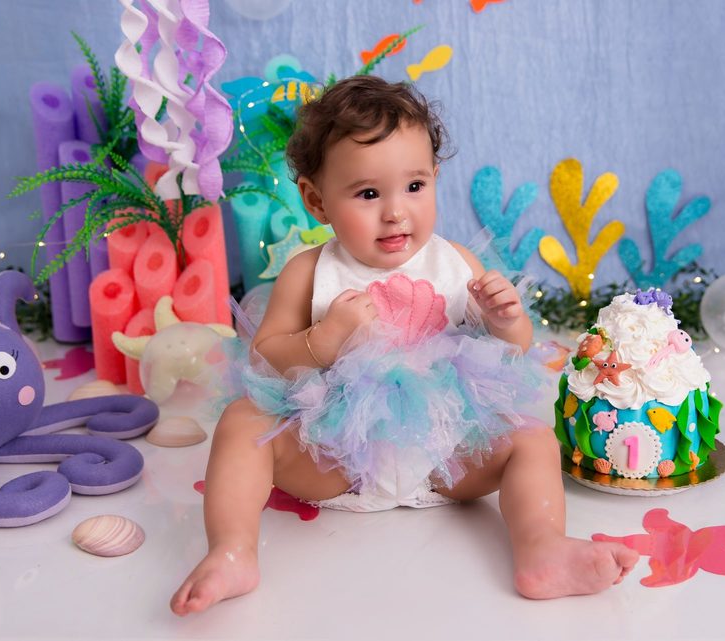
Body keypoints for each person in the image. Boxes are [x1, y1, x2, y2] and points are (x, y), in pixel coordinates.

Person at [170, 75, 638, 616]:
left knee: (532, 438)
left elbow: (513, 353)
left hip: (445, 452)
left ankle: (542, 548)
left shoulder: (455, 262)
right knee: (241, 422)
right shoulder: (309, 272)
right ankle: (232, 552)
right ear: (316, 200)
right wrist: (322, 340)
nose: (395, 211)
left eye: (414, 186)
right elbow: (263, 357)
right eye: (368, 194)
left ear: (435, 178)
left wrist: (504, 320)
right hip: (333, 459)